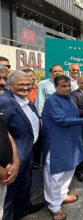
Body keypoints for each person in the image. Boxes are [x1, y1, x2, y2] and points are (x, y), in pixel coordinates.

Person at [42, 75, 83, 220]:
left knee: (69, 169)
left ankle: (62, 196)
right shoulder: (52, 101)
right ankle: (54, 206)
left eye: (68, 86)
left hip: (72, 141)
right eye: (63, 86)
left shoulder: (68, 98)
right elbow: (62, 120)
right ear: (55, 87)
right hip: (57, 143)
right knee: (56, 175)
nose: (67, 88)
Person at [0, 71, 44, 220]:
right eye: (21, 85)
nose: (26, 88)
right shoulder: (4, 102)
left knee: (25, 184)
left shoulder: (24, 98)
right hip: (14, 157)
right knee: (8, 194)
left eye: (28, 84)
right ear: (10, 85)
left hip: (28, 150)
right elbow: (2, 132)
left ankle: (23, 209)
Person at [0, 69, 20, 219]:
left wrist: (15, 160)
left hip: (7, 169)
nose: (3, 83)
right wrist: (2, 171)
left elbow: (5, 133)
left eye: (4, 78)